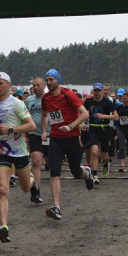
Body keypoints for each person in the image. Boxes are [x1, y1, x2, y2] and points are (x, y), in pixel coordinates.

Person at [0, 72, 37, 243]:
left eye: (0, 83)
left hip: (20, 152)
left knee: (25, 188)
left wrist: (11, 130)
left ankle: (32, 181)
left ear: (9, 85)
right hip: (2, 152)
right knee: (2, 190)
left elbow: (32, 125)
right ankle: (3, 227)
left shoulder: (17, 103)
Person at [40, 68, 94, 221]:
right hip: (55, 139)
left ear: (58, 80)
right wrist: (44, 130)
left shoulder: (68, 94)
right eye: (47, 80)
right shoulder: (45, 98)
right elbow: (44, 115)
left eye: (52, 80)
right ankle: (56, 207)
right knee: (54, 171)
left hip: (71, 137)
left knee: (75, 172)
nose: (49, 83)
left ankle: (86, 172)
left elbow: (85, 114)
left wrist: (70, 126)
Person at [83, 82, 117, 183]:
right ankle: (94, 174)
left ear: (102, 91)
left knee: (105, 156)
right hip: (93, 128)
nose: (97, 93)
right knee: (94, 151)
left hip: (105, 129)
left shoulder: (107, 102)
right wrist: (84, 122)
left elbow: (116, 116)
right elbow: (83, 113)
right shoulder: (88, 101)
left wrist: (104, 116)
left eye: (99, 91)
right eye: (95, 91)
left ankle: (106, 164)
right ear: (93, 91)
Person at [24, 77, 48, 204]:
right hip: (35, 134)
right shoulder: (28, 100)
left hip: (51, 134)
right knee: (36, 160)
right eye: (34, 86)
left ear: (44, 86)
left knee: (52, 164)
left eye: (38, 85)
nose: (36, 88)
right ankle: (36, 192)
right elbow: (24, 116)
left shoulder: (50, 98)